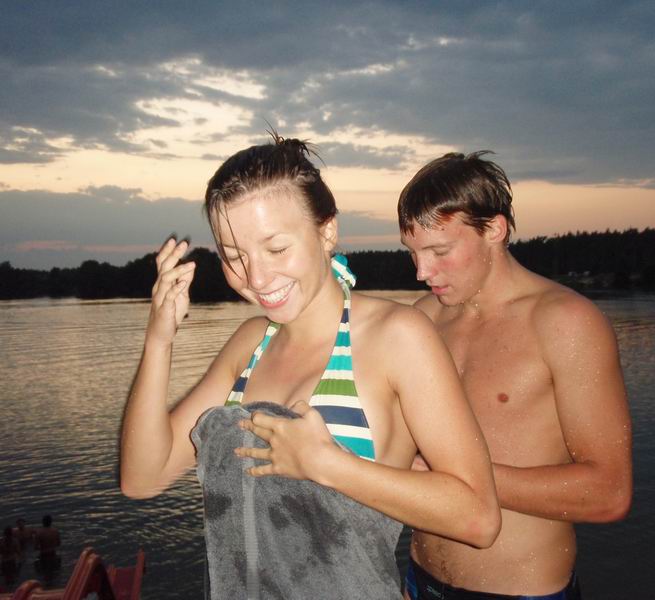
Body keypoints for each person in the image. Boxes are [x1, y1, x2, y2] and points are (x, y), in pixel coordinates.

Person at [119, 136, 500, 599]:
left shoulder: (397, 336)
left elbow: (478, 517)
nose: (256, 278)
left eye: (277, 249)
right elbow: (142, 478)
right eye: (234, 256)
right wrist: (159, 338)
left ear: (327, 232)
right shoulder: (250, 343)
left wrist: (328, 465)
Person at [398, 152, 633, 599]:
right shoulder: (422, 318)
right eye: (413, 253)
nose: (422, 272)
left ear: (494, 229)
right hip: (419, 581)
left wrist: (459, 478)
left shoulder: (565, 323)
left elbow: (609, 493)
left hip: (522, 591)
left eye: (440, 251)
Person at [34, 515, 61, 583]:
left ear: (43, 522)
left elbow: (35, 547)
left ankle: (46, 584)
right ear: (51, 522)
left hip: (44, 555)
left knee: (44, 573)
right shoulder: (55, 531)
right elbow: (58, 544)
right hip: (53, 554)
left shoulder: (39, 532)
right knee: (54, 572)